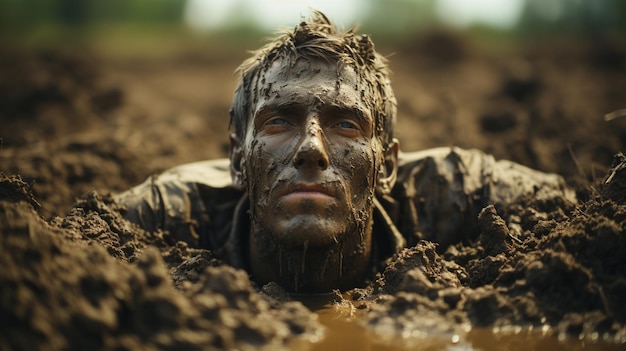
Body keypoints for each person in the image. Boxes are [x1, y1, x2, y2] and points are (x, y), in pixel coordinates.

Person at [113, 11, 575, 293]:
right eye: (278, 121)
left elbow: (582, 215)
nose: (311, 149)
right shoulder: (165, 214)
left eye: (346, 124)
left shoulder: (462, 192)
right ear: (238, 159)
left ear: (388, 164)